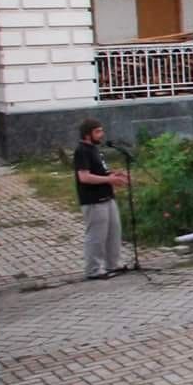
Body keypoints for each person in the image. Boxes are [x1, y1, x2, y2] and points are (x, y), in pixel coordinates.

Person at [74, 118, 127, 281]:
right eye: (97, 131)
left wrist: (114, 175)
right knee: (97, 236)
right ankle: (94, 270)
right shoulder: (82, 150)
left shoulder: (95, 149)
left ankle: (113, 264)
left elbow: (100, 172)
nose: (101, 134)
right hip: (93, 200)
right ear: (87, 134)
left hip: (107, 197)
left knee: (114, 232)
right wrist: (109, 180)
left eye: (101, 130)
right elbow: (84, 177)